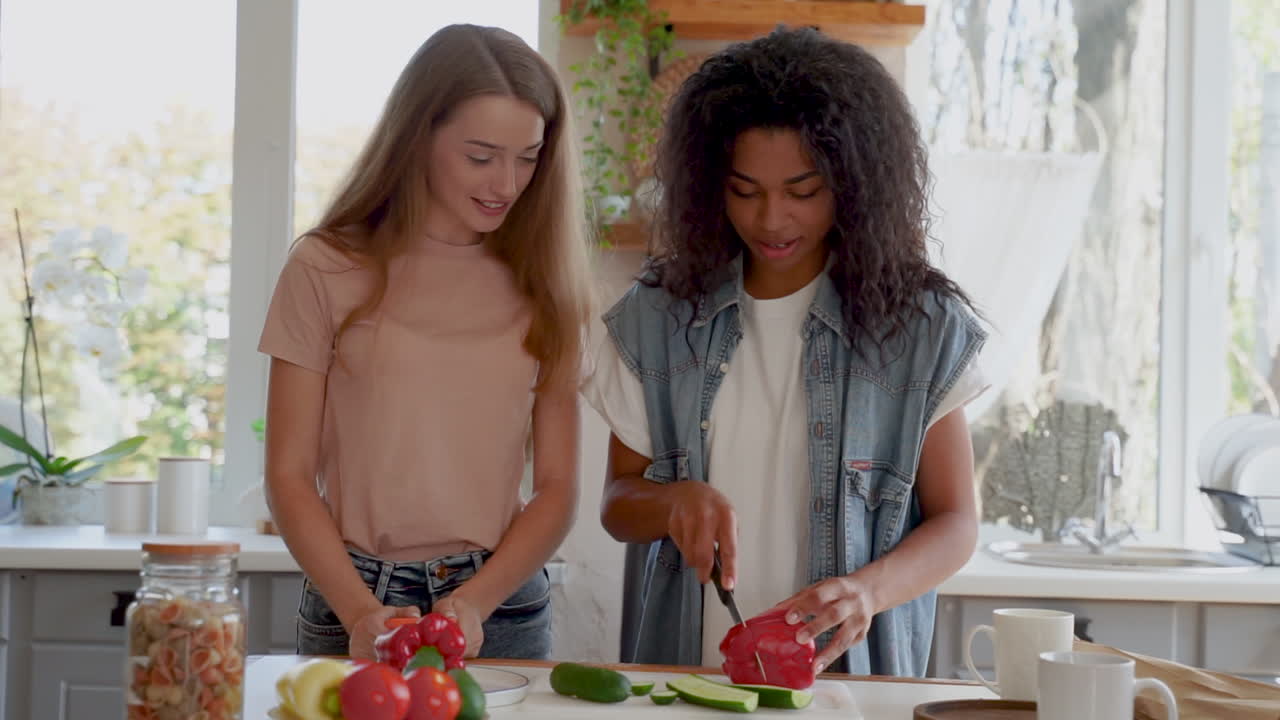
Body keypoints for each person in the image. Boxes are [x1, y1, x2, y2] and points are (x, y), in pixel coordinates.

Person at [584, 27, 989, 677]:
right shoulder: (658, 315)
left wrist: (868, 592)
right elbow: (617, 506)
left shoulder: (918, 325)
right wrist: (674, 500)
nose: (772, 220)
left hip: (853, 682)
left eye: (803, 191)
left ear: (854, 182)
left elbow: (957, 523)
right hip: (689, 675)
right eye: (745, 190)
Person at [259, 24, 592, 661]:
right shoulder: (325, 266)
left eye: (528, 157)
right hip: (351, 598)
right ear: (418, 137)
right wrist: (360, 611)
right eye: (480, 155)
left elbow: (556, 488)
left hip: (501, 606)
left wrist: (474, 602)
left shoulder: (545, 283)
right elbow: (289, 475)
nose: (506, 183)